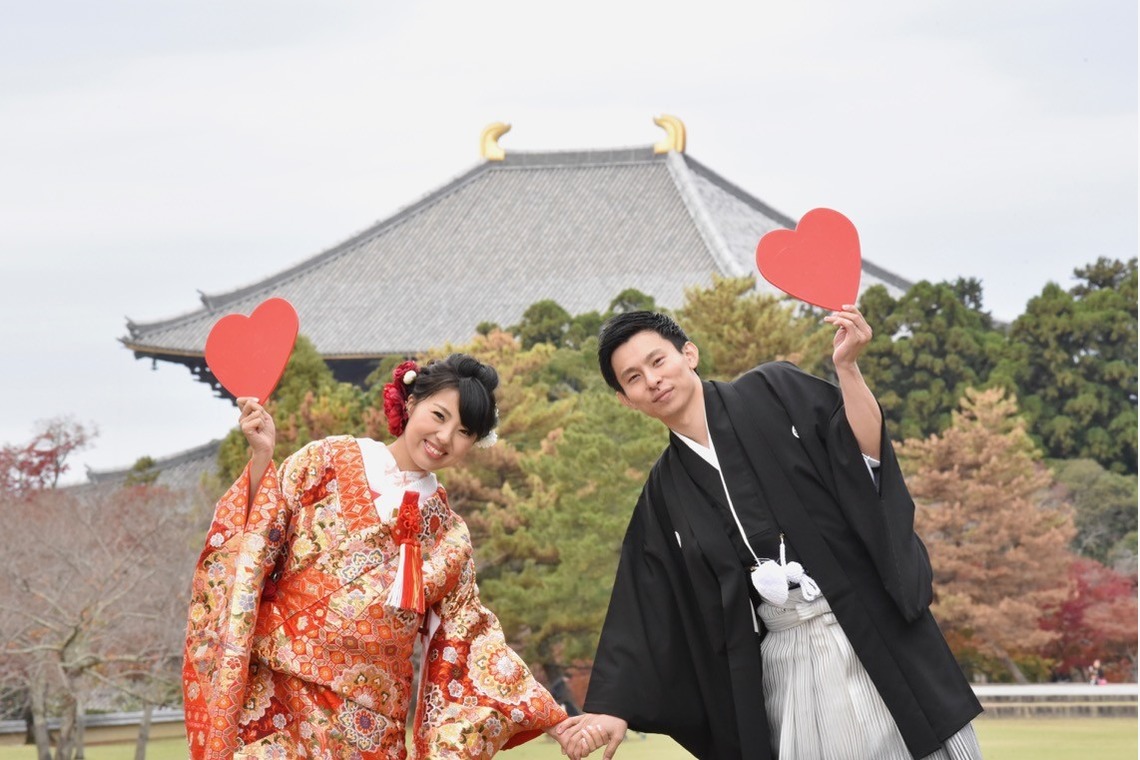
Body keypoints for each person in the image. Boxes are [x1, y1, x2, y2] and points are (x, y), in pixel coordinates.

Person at [558, 308, 983, 760]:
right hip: (788, 664)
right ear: (627, 399)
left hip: (870, 633)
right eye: (634, 377)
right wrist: (614, 707)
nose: (653, 380)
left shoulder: (774, 390)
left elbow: (864, 458)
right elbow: (645, 605)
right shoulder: (664, 494)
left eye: (658, 361)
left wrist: (848, 368)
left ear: (689, 354)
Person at [183, 355, 571, 759]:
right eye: (438, 415)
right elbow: (258, 536)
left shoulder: (448, 535)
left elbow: (470, 637)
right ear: (411, 402)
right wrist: (263, 458)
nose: (443, 437)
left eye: (463, 431)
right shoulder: (326, 460)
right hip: (278, 698)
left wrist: (551, 718)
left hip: (368, 723)